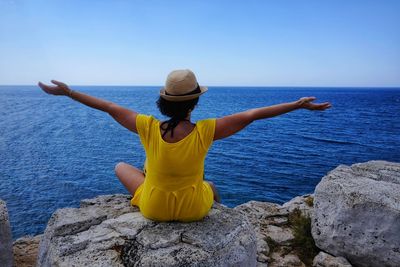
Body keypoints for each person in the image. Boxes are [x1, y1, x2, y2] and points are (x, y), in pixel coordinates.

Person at [38, 69, 331, 222]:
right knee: (210, 185)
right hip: (194, 210)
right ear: (195, 101)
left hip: (154, 208)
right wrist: (298, 105)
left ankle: (153, 190)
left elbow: (109, 107)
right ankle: (218, 211)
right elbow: (253, 115)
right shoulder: (205, 131)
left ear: (163, 102)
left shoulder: (148, 127)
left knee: (121, 166)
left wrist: (70, 93)